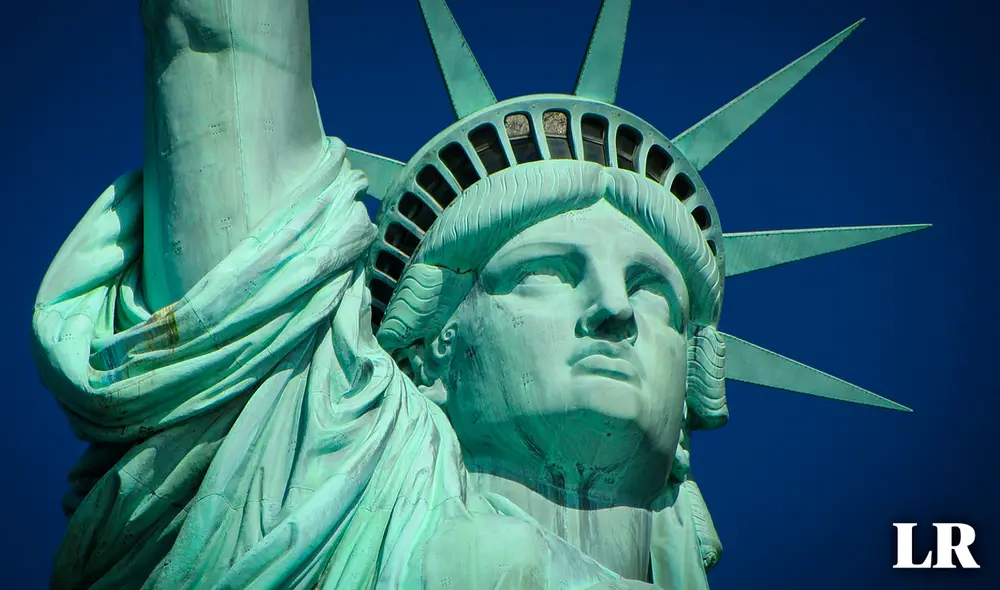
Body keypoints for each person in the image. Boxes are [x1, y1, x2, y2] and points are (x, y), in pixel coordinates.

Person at [31, 1, 922, 588]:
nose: (613, 310)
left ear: (697, 377)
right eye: (545, 273)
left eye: (654, 291)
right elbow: (218, 35)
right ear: (428, 349)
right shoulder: (297, 469)